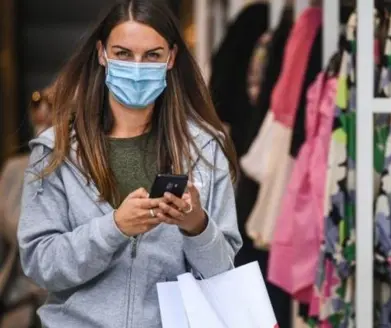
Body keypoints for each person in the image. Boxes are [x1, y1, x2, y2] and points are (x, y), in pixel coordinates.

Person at [17, 1, 242, 327]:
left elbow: (224, 275)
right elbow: (41, 265)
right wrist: (114, 227)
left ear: (171, 58)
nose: (137, 67)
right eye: (123, 53)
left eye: (152, 55)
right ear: (101, 54)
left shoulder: (204, 151)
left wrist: (197, 226)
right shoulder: (57, 151)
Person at [0, 87, 53, 328]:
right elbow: (14, 229)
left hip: (69, 306)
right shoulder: (15, 169)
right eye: (36, 103)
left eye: (51, 104)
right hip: (21, 303)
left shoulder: (84, 166)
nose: (42, 111)